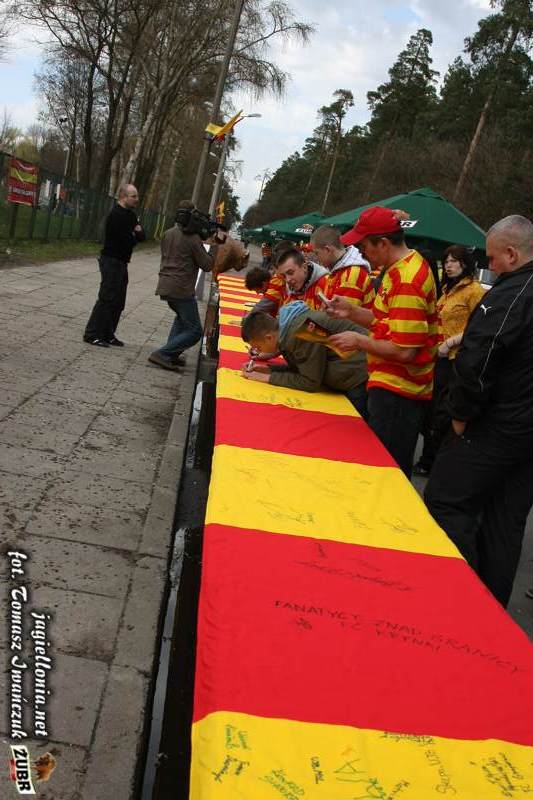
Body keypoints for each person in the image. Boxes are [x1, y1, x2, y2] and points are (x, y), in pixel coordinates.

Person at [424, 215, 533, 607]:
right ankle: (489, 609)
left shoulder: (513, 292)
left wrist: (460, 413)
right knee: (505, 521)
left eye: (493, 258)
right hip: (523, 431)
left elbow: (479, 356)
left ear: (511, 254)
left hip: (496, 424)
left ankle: (457, 598)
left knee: (446, 500)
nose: (491, 266)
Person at [326, 206, 438, 478]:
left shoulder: (407, 279)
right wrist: (351, 312)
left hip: (400, 391)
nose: (361, 253)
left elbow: (405, 351)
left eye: (364, 246)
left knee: (387, 474)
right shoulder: (397, 270)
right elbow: (384, 321)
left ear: (384, 244)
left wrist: (358, 341)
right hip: (392, 387)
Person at [414, 245, 485, 475]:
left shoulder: (474, 291)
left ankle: (432, 461)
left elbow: (479, 327)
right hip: (438, 357)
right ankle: (430, 457)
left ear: (465, 263)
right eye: (446, 261)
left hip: (457, 359)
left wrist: (451, 342)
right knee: (431, 410)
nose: (448, 265)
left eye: (454, 261)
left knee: (443, 411)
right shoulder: (446, 289)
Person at [240, 303, 368, 416]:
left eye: (258, 347)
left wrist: (266, 378)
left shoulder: (302, 331)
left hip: (357, 376)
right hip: (353, 369)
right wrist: (269, 370)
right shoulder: (288, 327)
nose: (258, 352)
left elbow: (310, 381)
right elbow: (303, 367)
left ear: (269, 338)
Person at [148, 200, 226, 371]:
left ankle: (171, 355)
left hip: (165, 284)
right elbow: (207, 265)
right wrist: (214, 244)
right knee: (195, 331)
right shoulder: (192, 239)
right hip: (181, 289)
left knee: (182, 319)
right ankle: (162, 354)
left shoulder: (168, 233)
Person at [84, 184, 145, 347]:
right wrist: (134, 234)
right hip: (111, 260)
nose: (137, 199)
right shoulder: (116, 215)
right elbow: (127, 240)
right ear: (123, 197)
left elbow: (141, 237)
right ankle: (92, 334)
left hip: (122, 261)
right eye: (133, 196)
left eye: (137, 196)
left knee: (119, 300)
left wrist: (135, 234)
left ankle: (108, 333)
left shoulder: (131, 215)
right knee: (106, 298)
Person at [311, 224, 374, 308]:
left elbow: (341, 313)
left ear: (328, 250)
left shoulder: (352, 273)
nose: (316, 258)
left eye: (316, 253)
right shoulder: (337, 270)